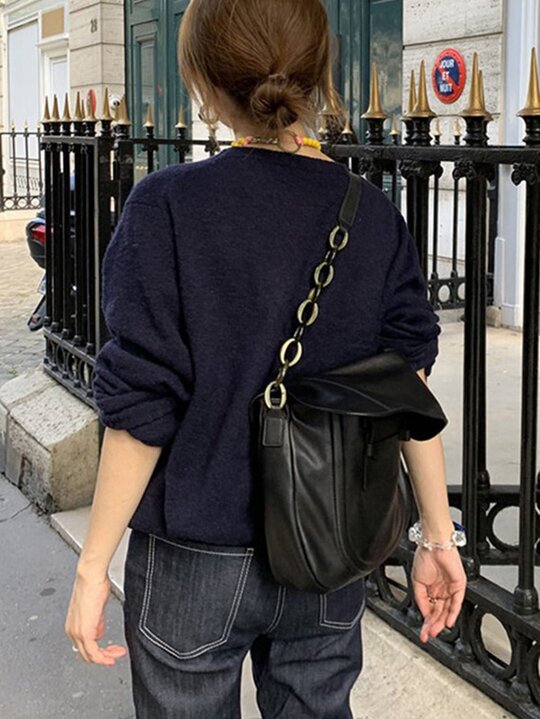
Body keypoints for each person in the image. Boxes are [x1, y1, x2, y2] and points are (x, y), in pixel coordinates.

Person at [64, 0, 467, 716]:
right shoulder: (372, 214)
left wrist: (93, 566)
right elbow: (407, 389)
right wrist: (437, 535)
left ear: (203, 83)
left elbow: (142, 406)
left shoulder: (167, 206)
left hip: (195, 550)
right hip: (328, 542)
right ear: (320, 74)